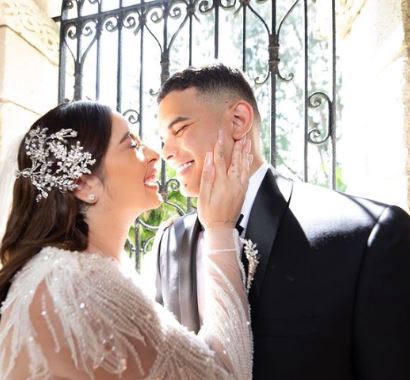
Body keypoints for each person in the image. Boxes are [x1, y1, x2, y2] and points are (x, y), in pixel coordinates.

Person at [154, 64, 410, 379]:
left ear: (238, 121)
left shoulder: (365, 236)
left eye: (179, 130)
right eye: (162, 139)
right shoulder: (170, 244)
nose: (165, 152)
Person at [0, 100, 253, 379]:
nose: (155, 154)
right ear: (83, 184)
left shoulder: (60, 272)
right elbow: (225, 375)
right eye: (131, 145)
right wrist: (220, 229)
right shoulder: (80, 281)